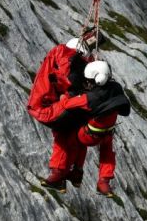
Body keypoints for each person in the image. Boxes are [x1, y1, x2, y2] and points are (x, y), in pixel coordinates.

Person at [40, 60, 131, 197]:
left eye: (90, 81)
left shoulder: (91, 98)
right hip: (108, 132)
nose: (88, 83)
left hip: (90, 135)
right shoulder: (116, 87)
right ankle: (103, 182)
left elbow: (67, 104)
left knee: (68, 137)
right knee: (107, 152)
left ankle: (60, 174)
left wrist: (64, 96)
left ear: (97, 80)